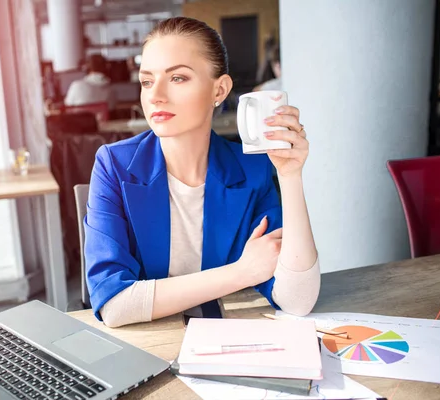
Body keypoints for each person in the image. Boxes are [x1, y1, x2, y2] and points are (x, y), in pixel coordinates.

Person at [85, 17, 319, 328]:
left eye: (178, 78)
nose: (155, 95)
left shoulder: (252, 170)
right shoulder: (114, 165)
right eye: (147, 81)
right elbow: (114, 304)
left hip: (226, 340)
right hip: (148, 347)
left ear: (219, 90)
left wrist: (291, 176)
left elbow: (297, 301)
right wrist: (242, 273)